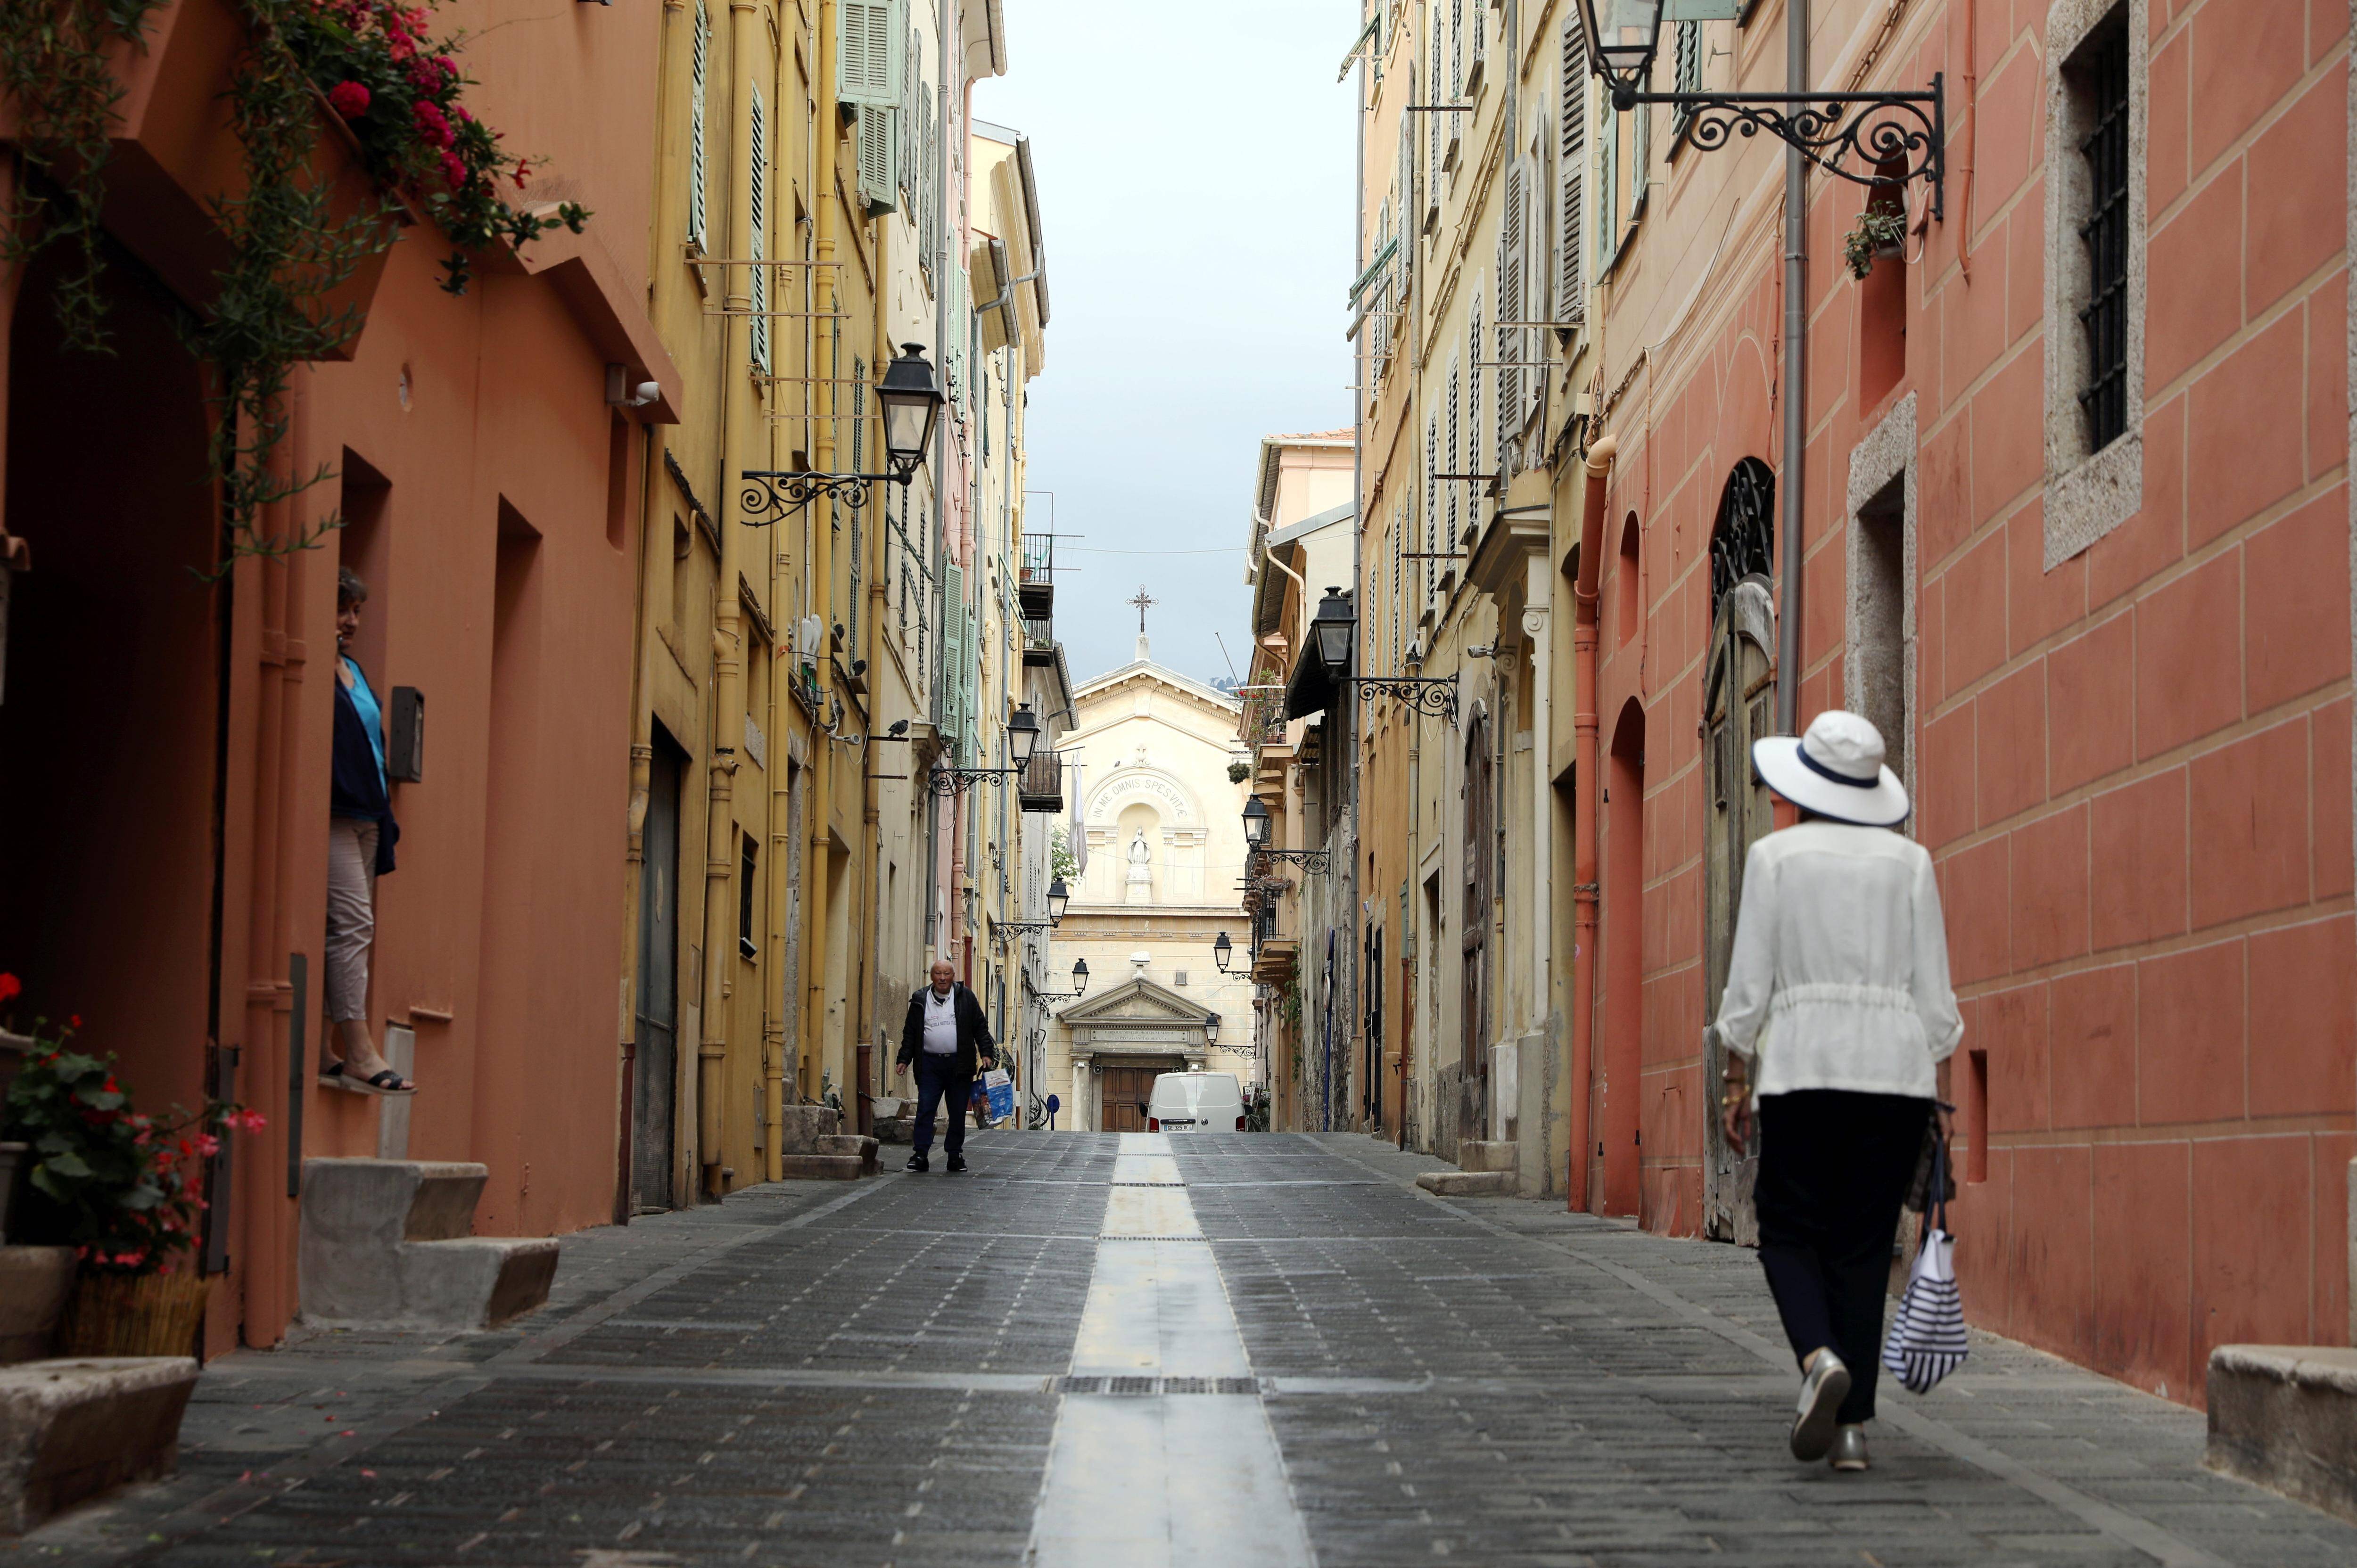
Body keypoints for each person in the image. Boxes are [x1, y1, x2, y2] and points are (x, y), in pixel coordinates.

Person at [1713, 710, 1960, 1474]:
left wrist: (1734, 1071)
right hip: (1896, 1078)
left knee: (1788, 1230)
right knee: (1862, 1243)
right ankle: (1852, 1431)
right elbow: (1937, 1000)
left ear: (1808, 783)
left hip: (1802, 1070)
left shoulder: (1775, 856)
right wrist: (1936, 1084)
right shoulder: (1911, 864)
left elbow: (1750, 980)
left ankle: (1818, 1357)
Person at [322, 567, 412, 1096]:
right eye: (342, 609)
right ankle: (358, 1049)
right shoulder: (319, 670)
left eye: (356, 611)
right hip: (334, 812)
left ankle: (324, 1046)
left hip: (370, 816)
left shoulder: (352, 670)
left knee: (348, 928)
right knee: (353, 924)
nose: (351, 621)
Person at [895, 960, 995, 1172]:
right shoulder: (920, 999)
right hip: (930, 1064)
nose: (942, 978)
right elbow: (910, 1033)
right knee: (925, 1108)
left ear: (953, 976)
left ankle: (954, 1155)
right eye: (938, 974)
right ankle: (920, 1154)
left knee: (958, 1111)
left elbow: (980, 1027)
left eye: (947, 974)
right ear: (931, 976)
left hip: (959, 1063)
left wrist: (986, 1053)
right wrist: (904, 1059)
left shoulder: (965, 997)